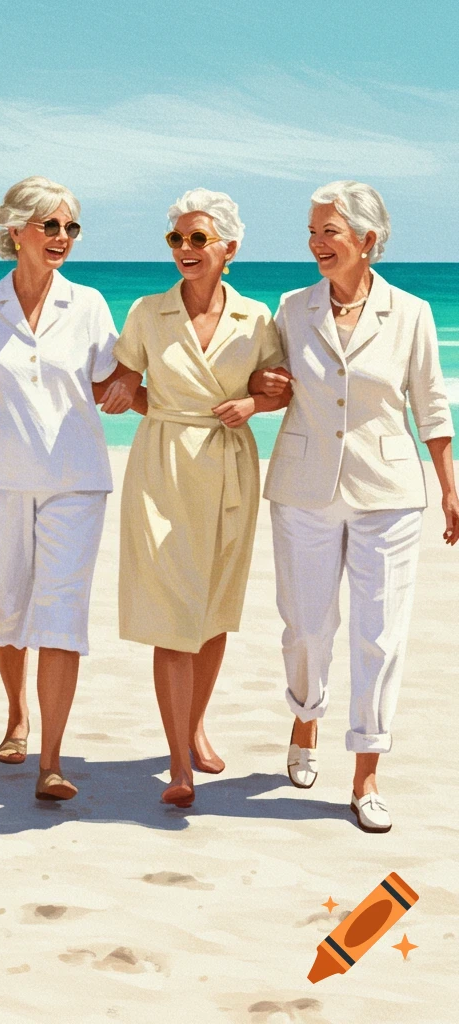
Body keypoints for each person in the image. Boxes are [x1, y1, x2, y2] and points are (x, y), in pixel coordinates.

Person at [253, 180, 457, 833]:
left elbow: (430, 407)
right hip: (304, 489)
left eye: (329, 232)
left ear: (368, 241)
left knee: (379, 635)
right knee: (307, 626)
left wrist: (450, 486)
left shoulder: (414, 313)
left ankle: (366, 771)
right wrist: (263, 387)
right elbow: (271, 384)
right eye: (312, 232)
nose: (316, 243)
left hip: (389, 493)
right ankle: (305, 715)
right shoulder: (290, 308)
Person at [102, 188, 285, 807]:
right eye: (176, 239)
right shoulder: (148, 312)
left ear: (228, 248)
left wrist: (256, 403)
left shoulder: (257, 317)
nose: (184, 249)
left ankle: (194, 724)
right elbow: (124, 381)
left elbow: (282, 388)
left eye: (197, 239)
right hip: (161, 468)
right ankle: (179, 764)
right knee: (170, 614)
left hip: (231, 467)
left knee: (211, 612)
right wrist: (128, 393)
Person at [0, 176, 123, 801]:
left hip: (76, 483)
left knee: (60, 617)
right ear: (15, 230)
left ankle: (51, 757)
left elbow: (114, 385)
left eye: (70, 228)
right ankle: (15, 714)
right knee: (5, 610)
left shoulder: (90, 305)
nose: (61, 238)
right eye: (50, 225)